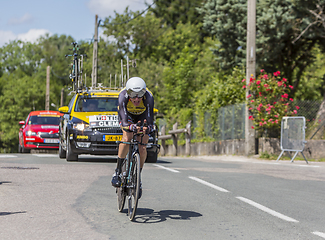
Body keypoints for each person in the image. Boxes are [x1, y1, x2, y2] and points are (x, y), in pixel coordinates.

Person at [111, 77, 154, 198]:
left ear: (144, 93)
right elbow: (124, 121)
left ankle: (137, 178)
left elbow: (150, 121)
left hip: (143, 116)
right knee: (127, 136)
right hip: (128, 117)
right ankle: (118, 172)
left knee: (143, 145)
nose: (136, 99)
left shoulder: (149, 97)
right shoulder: (122, 96)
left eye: (140, 95)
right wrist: (131, 127)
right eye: (133, 95)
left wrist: (148, 128)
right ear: (128, 93)